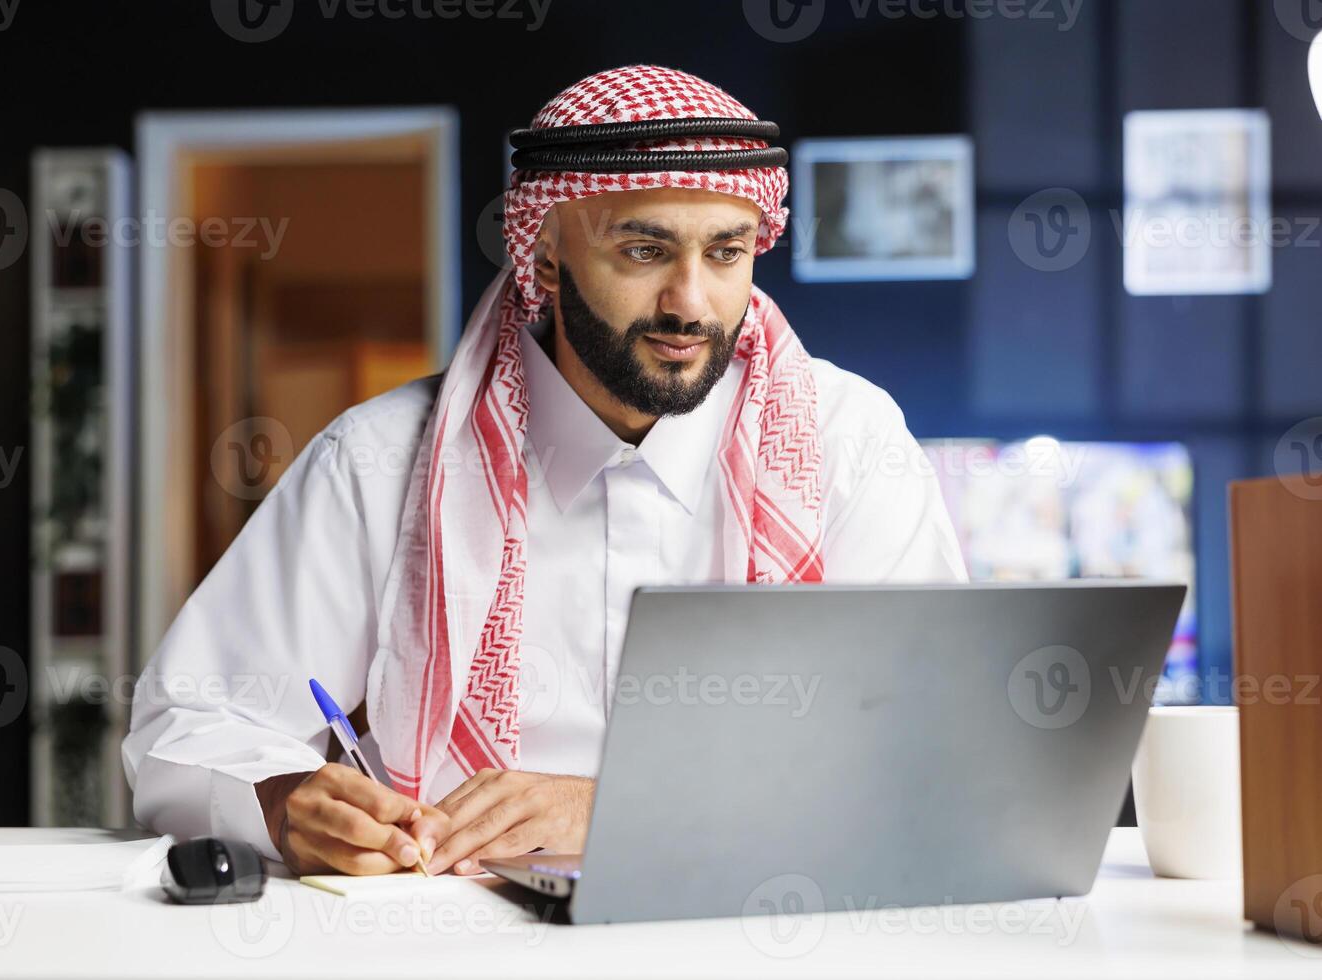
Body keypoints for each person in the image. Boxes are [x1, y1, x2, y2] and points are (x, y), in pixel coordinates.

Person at [122, 64, 968, 879]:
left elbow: (935, 742)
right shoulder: (380, 459)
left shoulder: (848, 442)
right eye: (644, 252)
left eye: (725, 252)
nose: (691, 302)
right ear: (548, 258)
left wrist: (614, 811)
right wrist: (283, 802)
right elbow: (187, 721)